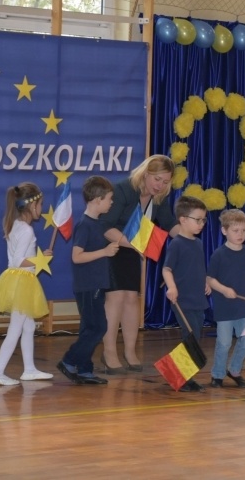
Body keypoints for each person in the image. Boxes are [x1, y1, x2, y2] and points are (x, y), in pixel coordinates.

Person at [99, 155, 180, 372]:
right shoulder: (123, 190)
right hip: (110, 246)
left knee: (132, 299)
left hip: (133, 248)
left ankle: (130, 351)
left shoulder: (159, 197)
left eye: (165, 182)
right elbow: (106, 227)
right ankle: (108, 352)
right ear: (145, 174)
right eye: (157, 179)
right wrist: (133, 245)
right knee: (116, 297)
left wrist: (186, 237)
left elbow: (169, 223)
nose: (160, 185)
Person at [0, 182, 53, 386]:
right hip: (22, 281)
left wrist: (39, 258)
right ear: (32, 206)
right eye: (40, 205)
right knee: (15, 329)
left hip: (19, 280)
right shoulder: (27, 231)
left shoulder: (16, 226)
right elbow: (17, 261)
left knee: (28, 327)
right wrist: (40, 260)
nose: (42, 209)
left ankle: (29, 369)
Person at [57, 176, 120, 385]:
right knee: (98, 327)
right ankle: (69, 360)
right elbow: (77, 256)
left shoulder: (97, 223)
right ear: (97, 199)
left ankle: (84, 369)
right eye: (109, 198)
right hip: (88, 285)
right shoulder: (84, 225)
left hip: (95, 284)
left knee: (88, 327)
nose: (111, 202)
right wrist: (104, 251)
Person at [162, 195, 212, 392]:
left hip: (198, 299)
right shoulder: (177, 244)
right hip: (183, 300)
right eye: (197, 220)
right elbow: (167, 269)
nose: (201, 224)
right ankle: (179, 376)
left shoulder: (198, 243)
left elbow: (198, 268)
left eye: (203, 220)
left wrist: (205, 280)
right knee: (190, 336)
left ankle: (184, 375)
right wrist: (172, 288)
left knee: (195, 337)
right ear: (183, 220)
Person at [207, 209, 245, 389]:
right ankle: (218, 374)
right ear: (224, 231)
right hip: (224, 307)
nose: (240, 234)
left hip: (243, 307)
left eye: (243, 230)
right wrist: (224, 289)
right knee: (224, 342)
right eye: (236, 231)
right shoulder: (219, 254)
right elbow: (210, 279)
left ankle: (235, 370)